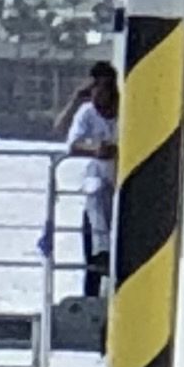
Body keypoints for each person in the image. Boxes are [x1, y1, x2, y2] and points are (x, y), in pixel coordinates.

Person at [59, 59, 121, 296]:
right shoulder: (87, 112)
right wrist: (96, 150)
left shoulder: (126, 112)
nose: (97, 94)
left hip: (120, 183)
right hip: (100, 186)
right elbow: (71, 142)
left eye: (102, 88)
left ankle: (103, 250)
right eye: (93, 88)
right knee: (94, 187)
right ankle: (101, 251)